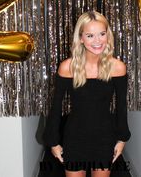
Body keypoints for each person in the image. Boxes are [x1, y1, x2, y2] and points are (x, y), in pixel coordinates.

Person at [43, 11, 131, 177]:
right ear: (81, 38)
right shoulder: (67, 67)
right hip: (75, 137)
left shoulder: (117, 67)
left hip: (105, 137)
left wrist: (122, 139)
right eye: (90, 35)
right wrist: (53, 142)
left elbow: (121, 106)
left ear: (108, 35)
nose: (97, 41)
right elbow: (55, 108)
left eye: (102, 34)